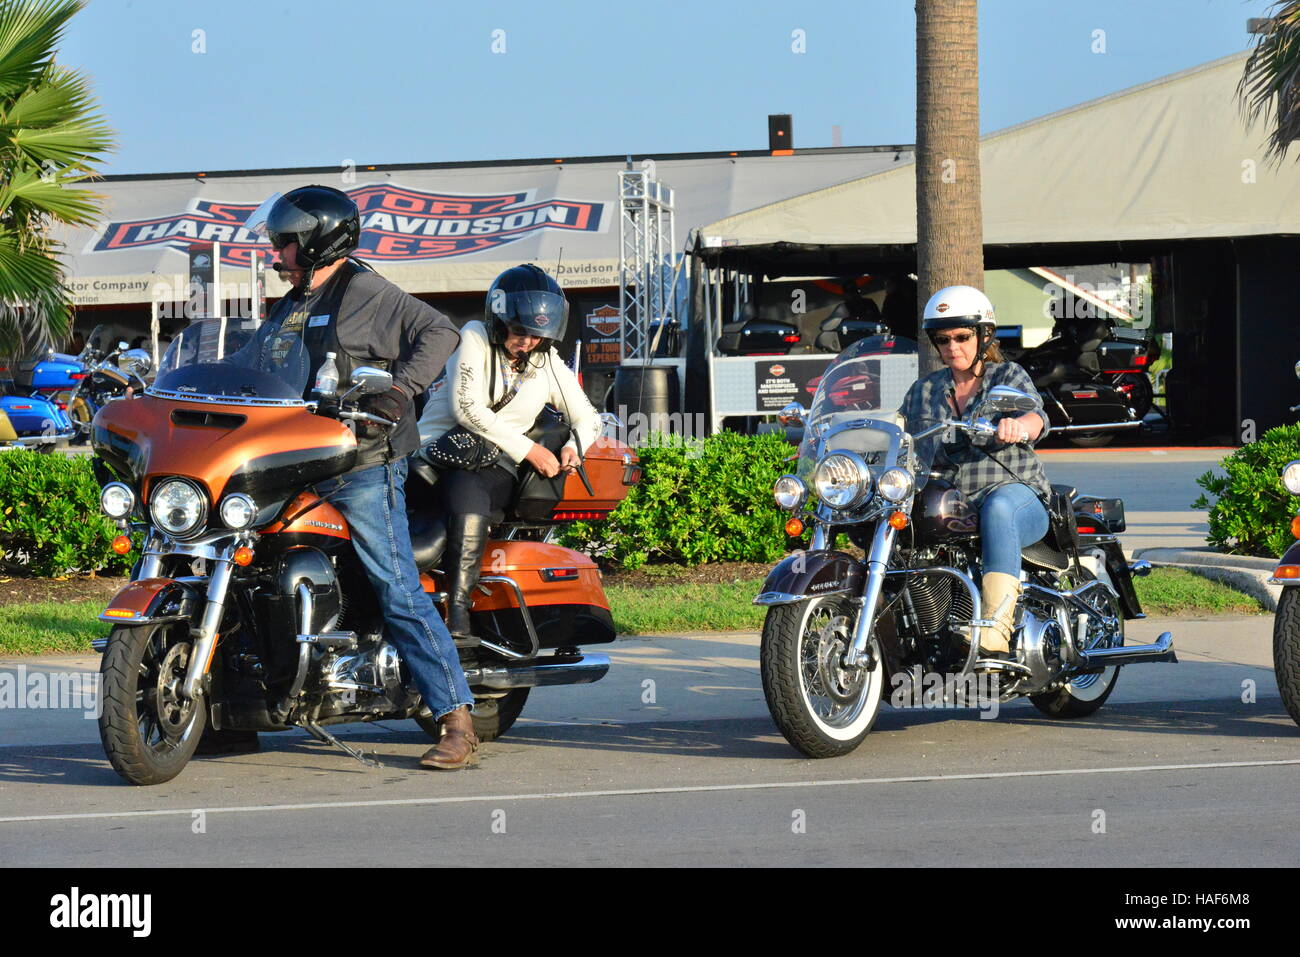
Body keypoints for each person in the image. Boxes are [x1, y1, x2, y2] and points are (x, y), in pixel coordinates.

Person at [253, 185, 480, 770]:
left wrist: (400, 389)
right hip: (290, 460)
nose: (275, 254)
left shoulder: (368, 292)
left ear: (318, 242)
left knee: (395, 584)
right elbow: (252, 370)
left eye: (285, 244)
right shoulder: (290, 303)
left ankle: (456, 719)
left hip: (361, 463)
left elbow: (441, 332)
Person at [416, 264, 601, 641]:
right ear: (499, 320)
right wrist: (530, 449)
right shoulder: (474, 337)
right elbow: (467, 407)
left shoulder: (546, 361)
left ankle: (459, 610)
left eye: (537, 334)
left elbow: (589, 417)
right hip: (435, 454)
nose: (528, 342)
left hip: (492, 465)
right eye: (520, 331)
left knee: (468, 489)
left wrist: (573, 446)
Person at [900, 285, 1052, 659]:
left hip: (1015, 492)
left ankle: (996, 629)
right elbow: (899, 434)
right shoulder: (925, 390)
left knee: (998, 507)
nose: (953, 347)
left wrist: (1021, 426)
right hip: (953, 501)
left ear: (984, 336)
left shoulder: (1007, 376)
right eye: (943, 339)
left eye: (963, 337)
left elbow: (1037, 415)